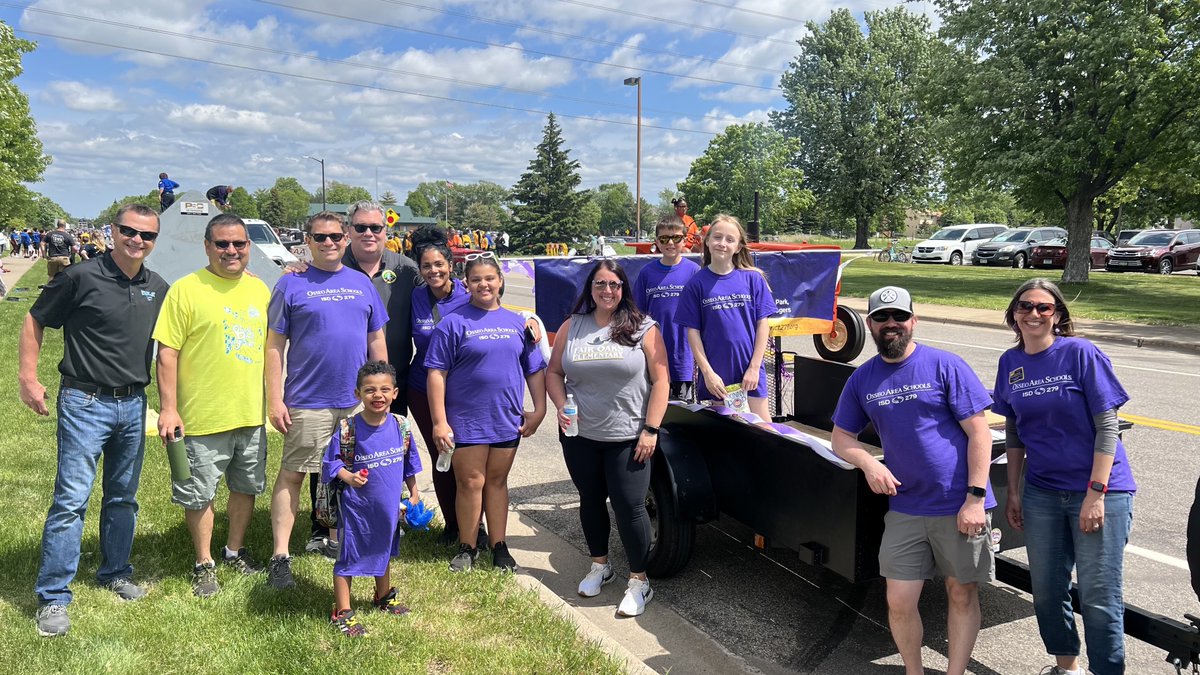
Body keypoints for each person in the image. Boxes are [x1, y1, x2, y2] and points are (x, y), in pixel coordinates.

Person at [20, 204, 169, 637]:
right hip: (84, 401)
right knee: (71, 501)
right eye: (129, 231)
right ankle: (53, 597)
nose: (137, 240)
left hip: (133, 404)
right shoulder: (80, 276)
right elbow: (35, 319)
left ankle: (116, 572)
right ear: (113, 231)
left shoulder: (156, 286)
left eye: (147, 235)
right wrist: (28, 378)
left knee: (123, 497)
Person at [830, 286, 995, 675]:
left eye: (899, 316)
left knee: (961, 593)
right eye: (882, 317)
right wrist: (870, 464)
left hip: (959, 504)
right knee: (900, 600)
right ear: (869, 324)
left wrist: (975, 498)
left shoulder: (945, 364)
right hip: (905, 507)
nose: (892, 324)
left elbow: (980, 433)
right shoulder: (863, 379)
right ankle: (913, 672)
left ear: (913, 321)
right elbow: (841, 438)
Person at [993, 278, 1135, 675]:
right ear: (1013, 314)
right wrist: (1016, 492)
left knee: (1099, 595)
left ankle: (1107, 671)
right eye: (1025, 306)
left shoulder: (1080, 352)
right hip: (1042, 492)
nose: (1034, 314)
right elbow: (1015, 430)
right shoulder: (1010, 363)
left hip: (1101, 490)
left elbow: (1108, 426)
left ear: (1058, 315)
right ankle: (1066, 667)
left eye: (1044, 307)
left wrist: (1095, 493)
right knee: (1048, 590)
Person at [265, 211, 389, 589]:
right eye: (321, 237)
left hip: (356, 403)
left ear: (346, 237)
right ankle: (280, 557)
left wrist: (382, 390)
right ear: (309, 240)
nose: (330, 243)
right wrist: (275, 398)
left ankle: (346, 542)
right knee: (294, 474)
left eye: (336, 236)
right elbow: (273, 346)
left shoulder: (362, 283)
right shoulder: (291, 284)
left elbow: (376, 340)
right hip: (307, 399)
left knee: (355, 474)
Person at [153, 214, 271, 598]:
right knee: (199, 493)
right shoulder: (186, 290)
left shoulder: (260, 290)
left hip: (250, 414)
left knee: (245, 487)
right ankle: (204, 562)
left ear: (249, 247)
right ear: (207, 247)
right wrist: (168, 409)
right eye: (222, 244)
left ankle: (233, 550)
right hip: (201, 418)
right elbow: (166, 353)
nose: (231, 251)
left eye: (239, 244)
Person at [547, 259, 669, 617]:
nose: (607, 291)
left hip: (628, 436)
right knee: (590, 499)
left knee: (630, 508)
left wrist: (651, 429)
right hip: (579, 434)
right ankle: (601, 566)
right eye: (600, 284)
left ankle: (639, 581)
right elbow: (553, 372)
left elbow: (662, 381)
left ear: (623, 289)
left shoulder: (644, 327)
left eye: (614, 285)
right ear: (590, 289)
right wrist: (560, 405)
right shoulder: (573, 326)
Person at [425, 252, 547, 572]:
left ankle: (499, 546)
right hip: (466, 421)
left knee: (496, 482)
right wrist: (439, 422)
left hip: (505, 418)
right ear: (467, 283)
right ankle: (467, 546)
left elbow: (534, 370)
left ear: (500, 281)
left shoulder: (518, 323)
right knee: (470, 482)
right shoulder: (453, 323)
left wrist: (540, 409)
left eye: (489, 278)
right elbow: (437, 373)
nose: (484, 284)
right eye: (476, 279)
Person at [323, 361, 422, 638]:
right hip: (356, 509)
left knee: (384, 548)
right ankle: (342, 611)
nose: (377, 395)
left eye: (384, 389)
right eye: (369, 390)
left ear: (395, 393)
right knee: (349, 556)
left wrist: (413, 491)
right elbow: (330, 463)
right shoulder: (348, 429)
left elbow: (409, 464)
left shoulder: (400, 426)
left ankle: (383, 596)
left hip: (388, 508)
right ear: (358, 394)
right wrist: (349, 477)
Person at [406, 227, 474, 548]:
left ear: (450, 264)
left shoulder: (468, 295)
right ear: (419, 270)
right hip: (422, 389)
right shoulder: (415, 298)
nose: (433, 271)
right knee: (441, 455)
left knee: (468, 458)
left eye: (439, 265)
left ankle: (474, 526)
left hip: (462, 390)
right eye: (426, 266)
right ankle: (451, 525)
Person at [675, 214, 776, 420]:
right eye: (717, 237)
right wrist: (708, 374)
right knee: (729, 437)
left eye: (730, 240)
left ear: (738, 247)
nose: (722, 243)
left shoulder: (753, 279)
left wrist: (755, 368)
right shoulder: (696, 284)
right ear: (707, 241)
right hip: (719, 377)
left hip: (751, 373)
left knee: (765, 433)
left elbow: (762, 325)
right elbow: (692, 333)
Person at [633, 215, 701, 401]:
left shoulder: (694, 271)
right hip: (653, 355)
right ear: (657, 242)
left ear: (684, 239)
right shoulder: (647, 273)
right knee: (654, 411)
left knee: (681, 414)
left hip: (683, 356)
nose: (670, 243)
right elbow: (637, 315)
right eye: (664, 238)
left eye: (676, 238)